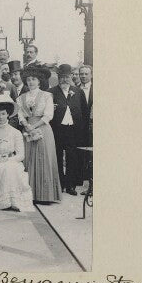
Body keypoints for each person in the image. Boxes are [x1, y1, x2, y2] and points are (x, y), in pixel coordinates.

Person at [16, 65, 62, 203]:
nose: (31, 82)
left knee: (43, 159)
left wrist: (33, 126)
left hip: (43, 129)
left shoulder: (47, 95)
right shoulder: (21, 97)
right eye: (28, 79)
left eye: (34, 79)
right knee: (28, 159)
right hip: (27, 130)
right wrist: (26, 126)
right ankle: (30, 194)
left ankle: (45, 195)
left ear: (39, 81)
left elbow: (48, 115)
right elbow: (20, 115)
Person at [50, 63, 90, 195]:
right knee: (57, 155)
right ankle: (60, 184)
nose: (64, 80)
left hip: (73, 130)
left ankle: (70, 185)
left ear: (71, 77)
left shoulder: (78, 91)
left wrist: (83, 131)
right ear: (58, 77)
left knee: (72, 157)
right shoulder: (51, 92)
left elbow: (84, 111)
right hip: (57, 129)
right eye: (62, 77)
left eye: (67, 77)